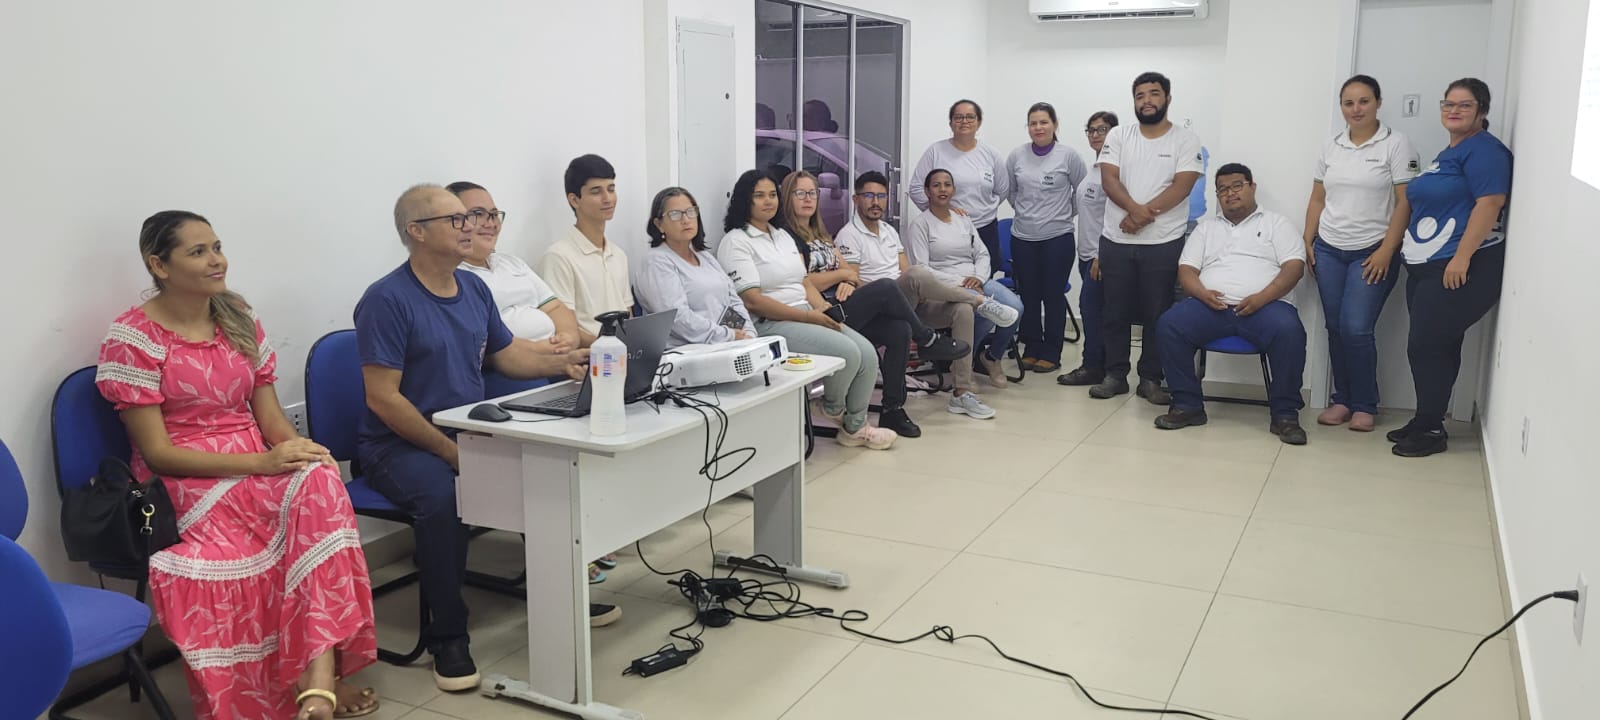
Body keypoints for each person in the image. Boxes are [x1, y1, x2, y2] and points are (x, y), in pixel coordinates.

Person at [97, 211, 378, 720]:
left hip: (255, 463)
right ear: (158, 265)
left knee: (320, 482)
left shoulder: (238, 317)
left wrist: (300, 453)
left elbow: (271, 420)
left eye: (217, 247)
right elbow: (158, 454)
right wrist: (263, 463)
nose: (217, 260)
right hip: (185, 479)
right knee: (253, 549)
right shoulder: (133, 338)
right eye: (198, 251)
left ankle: (317, 679)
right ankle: (314, 684)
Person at [355, 185, 610, 693]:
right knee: (442, 497)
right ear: (416, 231)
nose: (470, 226)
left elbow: (505, 354)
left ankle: (560, 600)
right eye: (456, 220)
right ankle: (448, 636)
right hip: (396, 443)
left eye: (471, 217)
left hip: (465, 428)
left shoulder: (472, 289)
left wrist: (564, 362)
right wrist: (451, 452)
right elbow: (383, 399)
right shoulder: (387, 299)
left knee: (546, 469)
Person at [717, 169, 898, 450]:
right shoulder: (736, 241)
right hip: (769, 322)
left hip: (805, 311)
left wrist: (822, 309)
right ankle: (832, 408)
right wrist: (807, 317)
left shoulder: (781, 236)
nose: (768, 201)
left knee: (867, 354)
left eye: (772, 195)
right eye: (759, 196)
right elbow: (752, 301)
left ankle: (854, 428)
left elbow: (803, 281)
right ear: (744, 200)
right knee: (848, 353)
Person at [784, 170, 971, 437]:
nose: (808, 199)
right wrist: (840, 276)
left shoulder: (820, 233)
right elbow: (804, 280)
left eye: (812, 193)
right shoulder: (787, 238)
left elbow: (849, 272)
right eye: (800, 193)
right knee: (886, 287)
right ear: (787, 197)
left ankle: (892, 409)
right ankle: (927, 339)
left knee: (899, 330)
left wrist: (846, 277)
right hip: (819, 312)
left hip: (841, 304)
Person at [1389, 78, 1511, 458]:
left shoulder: (1486, 151)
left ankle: (1430, 430)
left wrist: (1462, 258)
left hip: (1460, 264)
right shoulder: (1450, 152)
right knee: (1437, 344)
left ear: (1482, 111)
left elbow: (1489, 204)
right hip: (1429, 265)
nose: (1454, 111)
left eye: (1464, 105)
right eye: (1448, 104)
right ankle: (1426, 418)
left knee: (1425, 345)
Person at [837, 170, 1019, 418]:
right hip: (879, 308)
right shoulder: (849, 234)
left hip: (908, 304)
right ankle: (978, 300)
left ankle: (962, 392)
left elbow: (903, 270)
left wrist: (922, 291)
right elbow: (855, 282)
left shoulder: (889, 231)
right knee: (917, 274)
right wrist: (913, 285)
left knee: (962, 311)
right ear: (856, 199)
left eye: (881, 196)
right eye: (869, 196)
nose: (876, 202)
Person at [1153, 165, 1310, 445]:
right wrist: (1202, 294)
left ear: (1252, 187)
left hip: (1267, 307)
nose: (1230, 193)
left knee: (1289, 331)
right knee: (1169, 325)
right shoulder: (1206, 229)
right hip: (1211, 306)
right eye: (1223, 189)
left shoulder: (1277, 224)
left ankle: (1285, 415)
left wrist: (1263, 297)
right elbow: (1186, 270)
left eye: (1237, 185)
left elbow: (1294, 268)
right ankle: (1187, 405)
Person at [1302, 75, 1420, 433]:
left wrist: (1387, 250)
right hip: (1329, 249)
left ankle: (1365, 403)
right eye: (1349, 103)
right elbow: (1318, 198)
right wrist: (1308, 240)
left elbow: (1405, 202)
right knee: (1335, 327)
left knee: (1356, 328)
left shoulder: (1396, 144)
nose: (1356, 109)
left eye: (1364, 101)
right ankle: (1343, 399)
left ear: (1378, 103)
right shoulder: (1331, 145)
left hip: (1372, 251)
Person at [1094, 71, 1205, 404]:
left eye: (1154, 94)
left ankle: (1150, 378)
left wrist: (1142, 215)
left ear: (1167, 98)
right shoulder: (1119, 135)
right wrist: (1135, 211)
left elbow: (1182, 185)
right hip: (1116, 240)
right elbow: (1109, 180)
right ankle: (1115, 375)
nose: (1147, 101)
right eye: (1140, 95)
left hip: (1163, 242)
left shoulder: (1186, 139)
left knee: (1157, 314)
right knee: (1114, 311)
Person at [1005, 101, 1090, 373]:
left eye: (1044, 122)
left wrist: (1061, 214)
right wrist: (1027, 212)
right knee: (1029, 296)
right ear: (1028, 127)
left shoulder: (1068, 156)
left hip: (1058, 238)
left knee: (1052, 296)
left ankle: (1052, 353)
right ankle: (1031, 348)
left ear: (1055, 125)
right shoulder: (1016, 156)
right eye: (1033, 123)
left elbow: (1082, 192)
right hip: (1023, 238)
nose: (1038, 127)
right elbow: (1011, 191)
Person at [448, 181, 581, 350]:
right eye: (478, 214)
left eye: (494, 214)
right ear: (454, 221)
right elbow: (486, 344)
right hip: (518, 362)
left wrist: (569, 337)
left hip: (557, 355)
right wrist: (545, 353)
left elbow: (555, 307)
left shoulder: (513, 263)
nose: (490, 223)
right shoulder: (452, 277)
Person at [634, 186, 755, 346]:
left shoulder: (705, 257)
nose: (686, 220)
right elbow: (677, 318)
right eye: (675, 214)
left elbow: (734, 301)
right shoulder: (656, 262)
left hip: (724, 344)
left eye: (691, 212)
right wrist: (728, 335)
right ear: (659, 224)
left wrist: (749, 334)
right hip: (685, 350)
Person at [909, 99, 1010, 277]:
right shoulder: (936, 151)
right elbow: (916, 188)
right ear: (951, 123)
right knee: (953, 279)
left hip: (985, 227)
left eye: (970, 117)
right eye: (958, 117)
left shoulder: (991, 154)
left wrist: (983, 209)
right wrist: (943, 210)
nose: (964, 121)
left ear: (979, 122)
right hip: (948, 230)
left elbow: (1002, 190)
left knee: (985, 277)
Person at [540, 154, 633, 342]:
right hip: (590, 355)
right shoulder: (559, 256)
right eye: (596, 192)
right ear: (574, 200)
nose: (608, 198)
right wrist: (609, 348)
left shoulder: (618, 255)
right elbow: (564, 328)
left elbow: (628, 316)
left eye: (611, 189)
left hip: (625, 353)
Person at [1059, 111, 1120, 388]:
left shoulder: (1117, 170)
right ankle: (1103, 367)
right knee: (1095, 313)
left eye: (1102, 129)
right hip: (1086, 255)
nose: (1095, 135)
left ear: (1115, 133)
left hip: (1102, 256)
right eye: (1091, 130)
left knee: (1092, 311)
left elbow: (1118, 217)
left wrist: (1101, 254)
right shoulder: (1094, 169)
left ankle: (1094, 367)